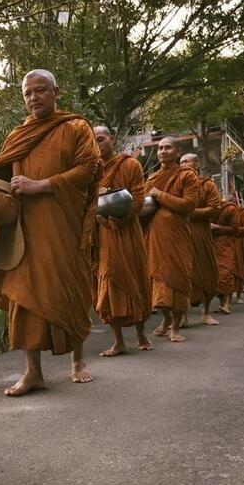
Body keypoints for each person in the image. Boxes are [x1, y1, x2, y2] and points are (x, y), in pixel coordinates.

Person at [0, 69, 100, 396]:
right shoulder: (19, 134)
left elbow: (88, 168)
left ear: (55, 91)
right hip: (26, 226)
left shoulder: (76, 127)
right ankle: (32, 372)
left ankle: (78, 362)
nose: (34, 98)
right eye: (28, 93)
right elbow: (4, 168)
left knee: (72, 287)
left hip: (63, 222)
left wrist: (42, 185)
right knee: (23, 292)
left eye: (40, 90)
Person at [91, 126, 151, 356]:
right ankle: (118, 341)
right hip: (103, 234)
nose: (98, 145)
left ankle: (141, 334)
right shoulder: (90, 170)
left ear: (111, 139)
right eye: (93, 141)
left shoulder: (130, 165)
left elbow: (138, 198)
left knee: (134, 278)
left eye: (101, 139)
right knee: (108, 282)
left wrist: (119, 214)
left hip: (127, 231)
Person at [142, 137, 198, 342]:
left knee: (179, 280)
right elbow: (144, 207)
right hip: (155, 237)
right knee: (158, 280)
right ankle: (166, 319)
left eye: (168, 148)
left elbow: (189, 205)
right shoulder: (151, 178)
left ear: (177, 151)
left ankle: (175, 327)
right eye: (160, 148)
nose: (163, 151)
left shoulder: (187, 175)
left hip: (178, 237)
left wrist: (160, 195)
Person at [180, 153, 221, 326]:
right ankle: (182, 316)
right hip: (179, 231)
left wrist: (190, 212)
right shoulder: (175, 183)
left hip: (200, 231)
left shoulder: (207, 185)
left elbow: (214, 208)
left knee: (206, 270)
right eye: (180, 162)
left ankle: (205, 313)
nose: (183, 164)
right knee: (181, 273)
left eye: (187, 161)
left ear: (196, 164)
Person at [211, 193, 240, 314]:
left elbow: (235, 229)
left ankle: (227, 304)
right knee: (217, 275)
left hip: (226, 244)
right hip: (214, 244)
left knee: (226, 273)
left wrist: (217, 227)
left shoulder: (231, 209)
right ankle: (222, 304)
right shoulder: (213, 208)